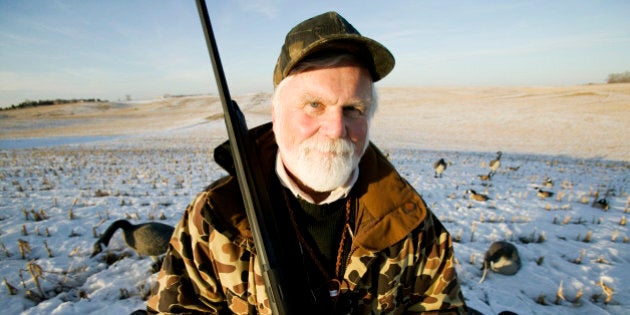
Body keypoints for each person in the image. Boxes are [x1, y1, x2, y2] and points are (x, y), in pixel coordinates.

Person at [147, 11, 467, 314]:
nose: (336, 129)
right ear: (276, 114)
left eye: (354, 108)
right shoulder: (215, 219)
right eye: (314, 104)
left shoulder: (411, 223)